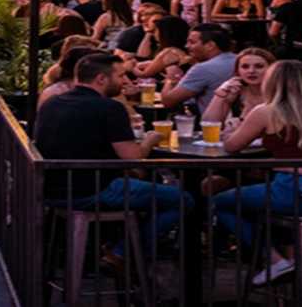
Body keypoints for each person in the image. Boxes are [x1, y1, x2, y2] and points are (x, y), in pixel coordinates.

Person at [34, 53, 191, 263]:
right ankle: (123, 254)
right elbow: (132, 157)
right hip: (92, 190)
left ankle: (122, 252)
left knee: (149, 189)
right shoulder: (109, 108)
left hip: (51, 188)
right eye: (120, 75)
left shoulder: (52, 103)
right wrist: (150, 140)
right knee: (183, 200)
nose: (125, 81)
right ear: (101, 79)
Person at [213, 60, 302, 285]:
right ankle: (297, 263)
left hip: (299, 191)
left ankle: (275, 260)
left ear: (273, 82)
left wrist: (231, 130)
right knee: (259, 203)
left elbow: (231, 147)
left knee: (221, 202)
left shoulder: (266, 111)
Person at [160, 23, 236, 114]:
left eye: (192, 42)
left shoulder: (203, 68)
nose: (186, 46)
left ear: (210, 45)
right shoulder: (240, 60)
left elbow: (168, 101)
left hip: (210, 125)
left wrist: (170, 78)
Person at [202, 47, 275, 124]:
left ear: (272, 69)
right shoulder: (235, 92)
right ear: (238, 71)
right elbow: (209, 124)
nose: (251, 71)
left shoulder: (279, 92)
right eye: (245, 67)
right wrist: (220, 95)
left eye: (259, 66)